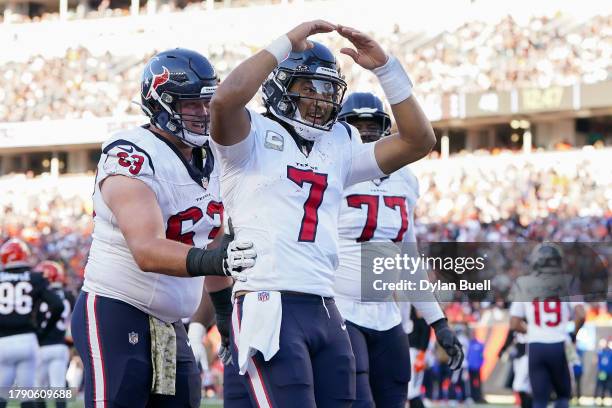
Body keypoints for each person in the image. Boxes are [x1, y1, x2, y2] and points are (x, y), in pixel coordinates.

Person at [210, 20, 436, 407]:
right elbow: (224, 100)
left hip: (326, 306)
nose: (319, 99)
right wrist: (283, 44)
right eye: (307, 88)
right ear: (280, 86)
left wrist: (386, 68)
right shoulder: (248, 137)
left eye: (327, 89)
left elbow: (419, 140)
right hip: (269, 300)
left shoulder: (340, 140)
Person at [70, 48, 256, 408]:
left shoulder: (213, 157)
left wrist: (222, 312)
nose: (203, 113)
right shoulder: (131, 153)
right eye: (191, 104)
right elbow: (147, 249)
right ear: (161, 102)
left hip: (171, 322)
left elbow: (212, 239)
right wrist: (220, 261)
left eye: (207, 103)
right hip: (117, 307)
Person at [333, 92, 463, 407]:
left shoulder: (405, 178)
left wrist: (438, 322)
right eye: (357, 125)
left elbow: (409, 259)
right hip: (342, 310)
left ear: (385, 129)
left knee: (395, 398)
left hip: (388, 316)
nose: (364, 132)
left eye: (371, 125)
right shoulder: (333, 170)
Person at [509, 243, 586, 408]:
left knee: (539, 400)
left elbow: (514, 323)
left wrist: (535, 331)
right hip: (559, 343)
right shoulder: (568, 281)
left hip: (536, 346)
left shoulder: (524, 283)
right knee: (563, 396)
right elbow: (581, 314)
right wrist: (573, 334)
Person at [0, 239, 63, 408]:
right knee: (27, 396)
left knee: (2, 395)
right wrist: (43, 330)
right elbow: (57, 305)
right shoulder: (35, 278)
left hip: (3, 342)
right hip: (28, 340)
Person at [34, 261, 75, 408]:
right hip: (60, 345)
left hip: (41, 345)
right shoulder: (69, 295)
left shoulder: (40, 294)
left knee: (38, 389)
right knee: (59, 388)